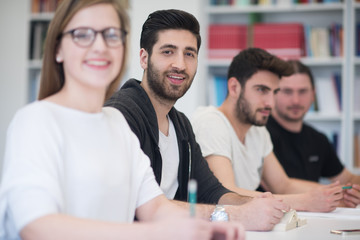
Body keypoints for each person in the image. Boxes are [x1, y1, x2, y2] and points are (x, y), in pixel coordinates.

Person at [0, 1, 246, 239]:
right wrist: (154, 234)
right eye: (83, 34)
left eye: (111, 35)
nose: (100, 46)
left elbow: (156, 208)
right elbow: (36, 226)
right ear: (57, 49)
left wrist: (216, 224)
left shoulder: (116, 124)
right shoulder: (35, 121)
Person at [105, 9, 289, 231]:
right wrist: (235, 214)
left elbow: (211, 192)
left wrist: (257, 203)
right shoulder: (121, 116)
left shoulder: (180, 124)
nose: (180, 65)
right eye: (168, 52)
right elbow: (136, 205)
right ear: (144, 58)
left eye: (189, 54)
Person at [191, 47, 354, 213]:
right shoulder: (210, 122)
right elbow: (225, 193)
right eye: (261, 90)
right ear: (234, 88)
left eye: (274, 92)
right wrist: (304, 201)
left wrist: (334, 195)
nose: (270, 103)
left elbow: (283, 185)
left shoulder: (257, 130)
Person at [267, 59, 360, 208]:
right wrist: (336, 195)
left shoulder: (318, 139)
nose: (296, 100)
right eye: (287, 91)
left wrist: (354, 190)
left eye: (302, 91)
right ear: (274, 93)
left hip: (312, 219)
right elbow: (282, 186)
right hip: (274, 223)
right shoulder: (260, 135)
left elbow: (346, 179)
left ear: (313, 94)